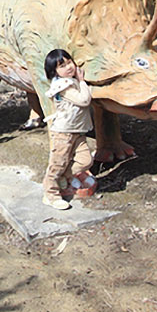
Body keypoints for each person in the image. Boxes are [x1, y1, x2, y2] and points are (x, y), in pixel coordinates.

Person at [41, 49, 97, 210]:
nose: (68, 67)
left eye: (68, 62)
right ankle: (50, 195)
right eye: (62, 66)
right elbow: (84, 100)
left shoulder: (70, 81)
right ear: (55, 72)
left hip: (78, 131)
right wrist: (82, 81)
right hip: (63, 132)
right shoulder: (63, 85)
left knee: (86, 160)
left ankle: (65, 176)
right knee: (57, 164)